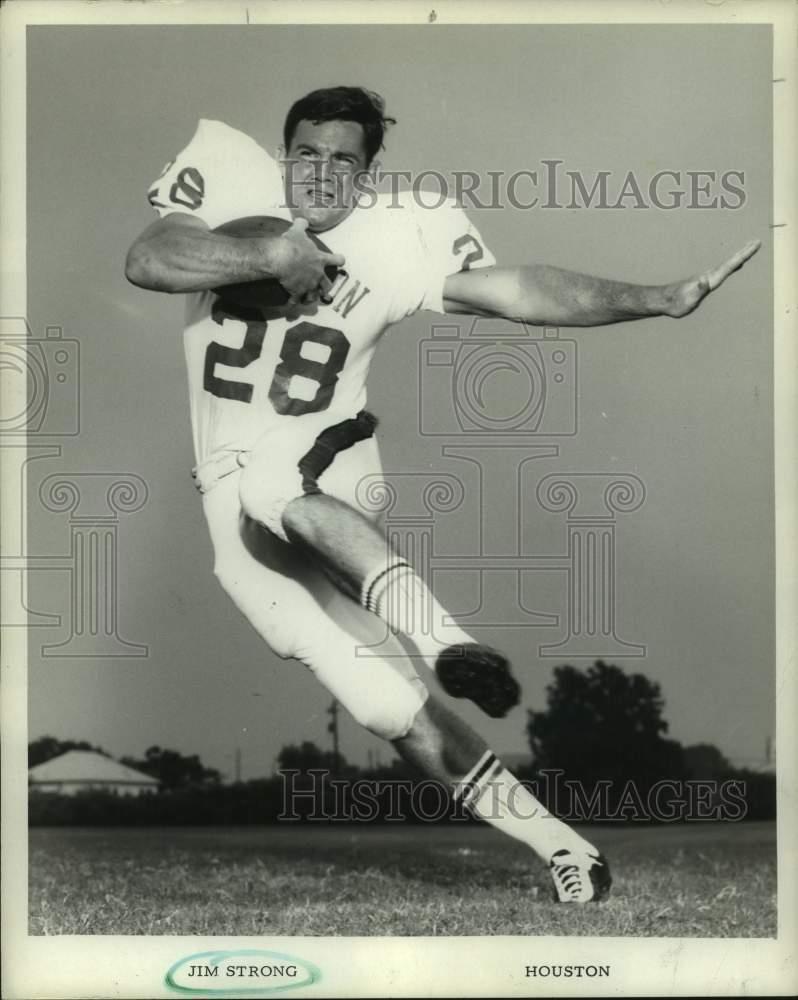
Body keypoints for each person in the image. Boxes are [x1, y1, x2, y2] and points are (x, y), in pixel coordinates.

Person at [125, 86, 759, 904]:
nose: (321, 175)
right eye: (307, 154)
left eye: (344, 161)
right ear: (283, 153)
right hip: (227, 486)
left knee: (272, 479)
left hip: (331, 454)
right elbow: (149, 258)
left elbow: (521, 291)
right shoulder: (227, 170)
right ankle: (565, 847)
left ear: (371, 172)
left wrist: (657, 299)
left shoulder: (402, 230)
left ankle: (446, 636)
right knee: (384, 704)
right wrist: (271, 257)